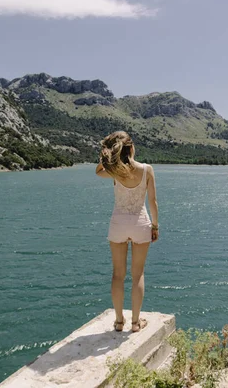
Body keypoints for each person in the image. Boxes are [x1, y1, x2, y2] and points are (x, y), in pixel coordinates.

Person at [96, 131, 159, 333]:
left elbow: (98, 170)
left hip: (118, 224)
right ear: (131, 148)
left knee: (118, 275)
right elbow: (152, 202)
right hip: (140, 223)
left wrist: (106, 154)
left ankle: (118, 321)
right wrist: (155, 226)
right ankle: (135, 322)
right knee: (138, 273)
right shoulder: (147, 169)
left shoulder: (114, 170)